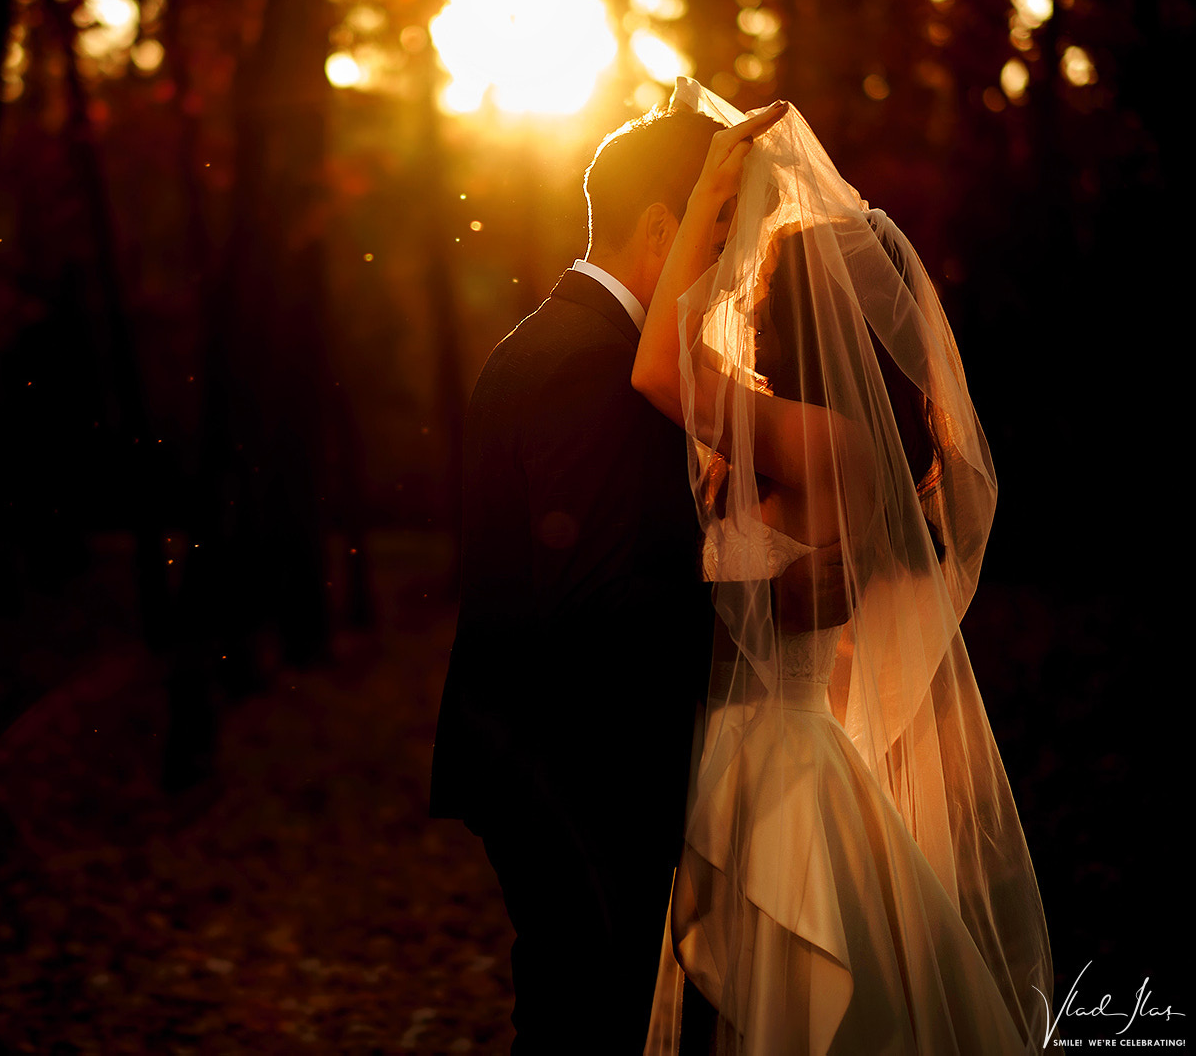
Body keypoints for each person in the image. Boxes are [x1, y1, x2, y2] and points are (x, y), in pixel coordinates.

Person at [631, 79, 1054, 1054]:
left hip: (779, 769)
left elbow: (657, 370)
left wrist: (706, 190)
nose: (741, 292)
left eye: (756, 282)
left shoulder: (824, 444)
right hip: (762, 759)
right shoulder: (805, 440)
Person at [428, 105, 783, 1053]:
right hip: (570, 767)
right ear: (663, 230)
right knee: (591, 1017)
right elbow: (592, 605)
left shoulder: (575, 343)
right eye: (718, 231)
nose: (728, 260)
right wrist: (758, 613)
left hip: (563, 754)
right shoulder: (583, 364)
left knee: (588, 1009)